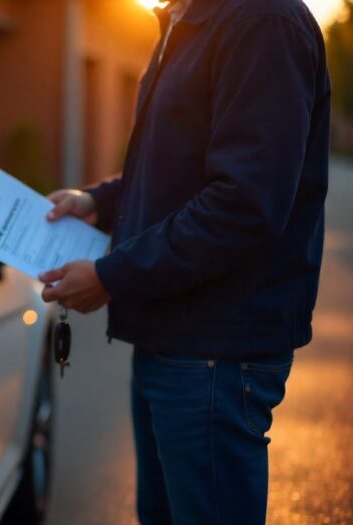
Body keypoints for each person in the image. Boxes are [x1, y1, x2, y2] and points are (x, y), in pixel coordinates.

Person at [39, 0, 330, 523]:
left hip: (214, 352)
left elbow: (243, 203)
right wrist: (99, 202)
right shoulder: (189, 19)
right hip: (171, 339)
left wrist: (110, 277)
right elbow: (175, 164)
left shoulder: (262, 22)